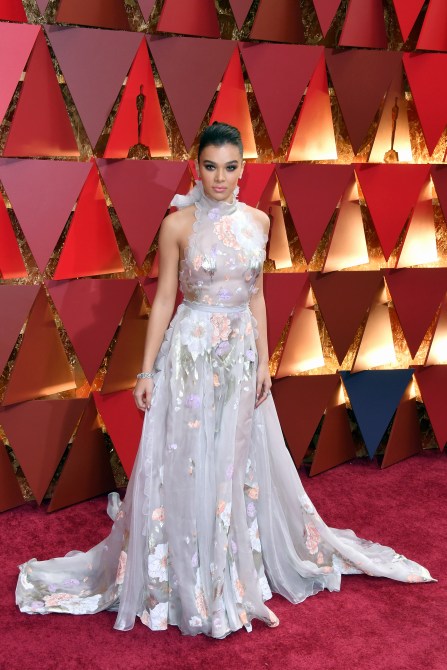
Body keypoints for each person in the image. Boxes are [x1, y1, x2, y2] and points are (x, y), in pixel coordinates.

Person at [16, 122, 436, 638]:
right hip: (191, 353)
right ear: (197, 167)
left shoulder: (259, 222)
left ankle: (230, 564)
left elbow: (256, 295)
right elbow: (164, 300)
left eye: (230, 167)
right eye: (211, 167)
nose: (220, 177)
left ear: (243, 169)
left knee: (234, 457)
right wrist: (146, 371)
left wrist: (263, 362)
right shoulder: (178, 225)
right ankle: (188, 570)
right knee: (189, 455)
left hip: (239, 355)